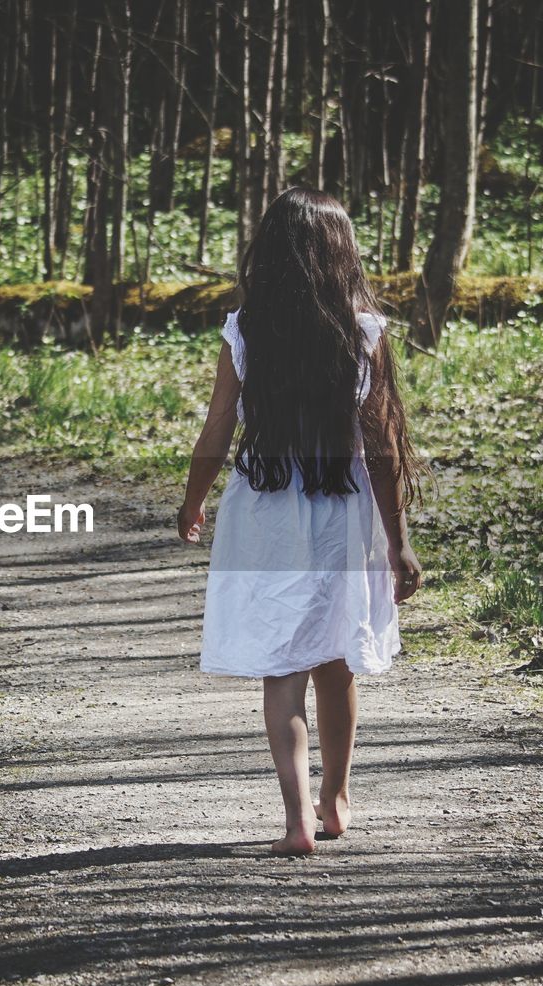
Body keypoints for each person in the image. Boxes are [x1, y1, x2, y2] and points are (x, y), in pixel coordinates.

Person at [176, 187, 424, 856]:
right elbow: (381, 444)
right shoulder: (364, 331)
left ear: (274, 254)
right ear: (342, 253)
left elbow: (219, 426)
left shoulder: (247, 329)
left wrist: (194, 497)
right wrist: (399, 539)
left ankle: (296, 819)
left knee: (280, 670)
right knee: (335, 662)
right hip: (341, 511)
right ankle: (336, 799)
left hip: (265, 513)